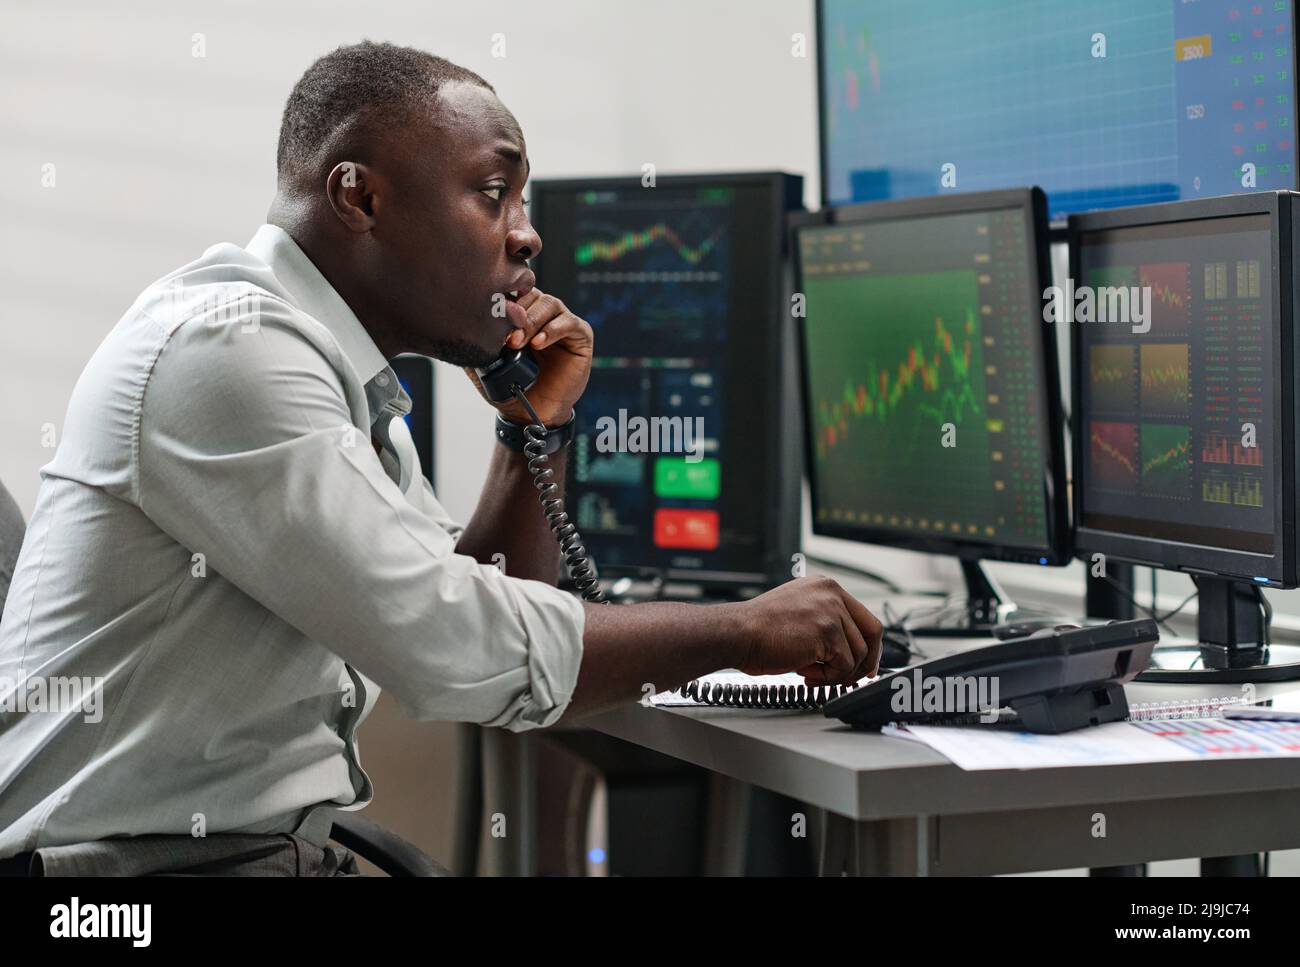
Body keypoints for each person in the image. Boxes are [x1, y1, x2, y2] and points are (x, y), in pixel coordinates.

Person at [0, 41, 882, 875]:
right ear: (360, 198)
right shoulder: (226, 353)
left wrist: (534, 426)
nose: (527, 236)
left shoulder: (342, 378)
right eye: (493, 192)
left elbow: (477, 594)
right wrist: (743, 627)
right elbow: (455, 646)